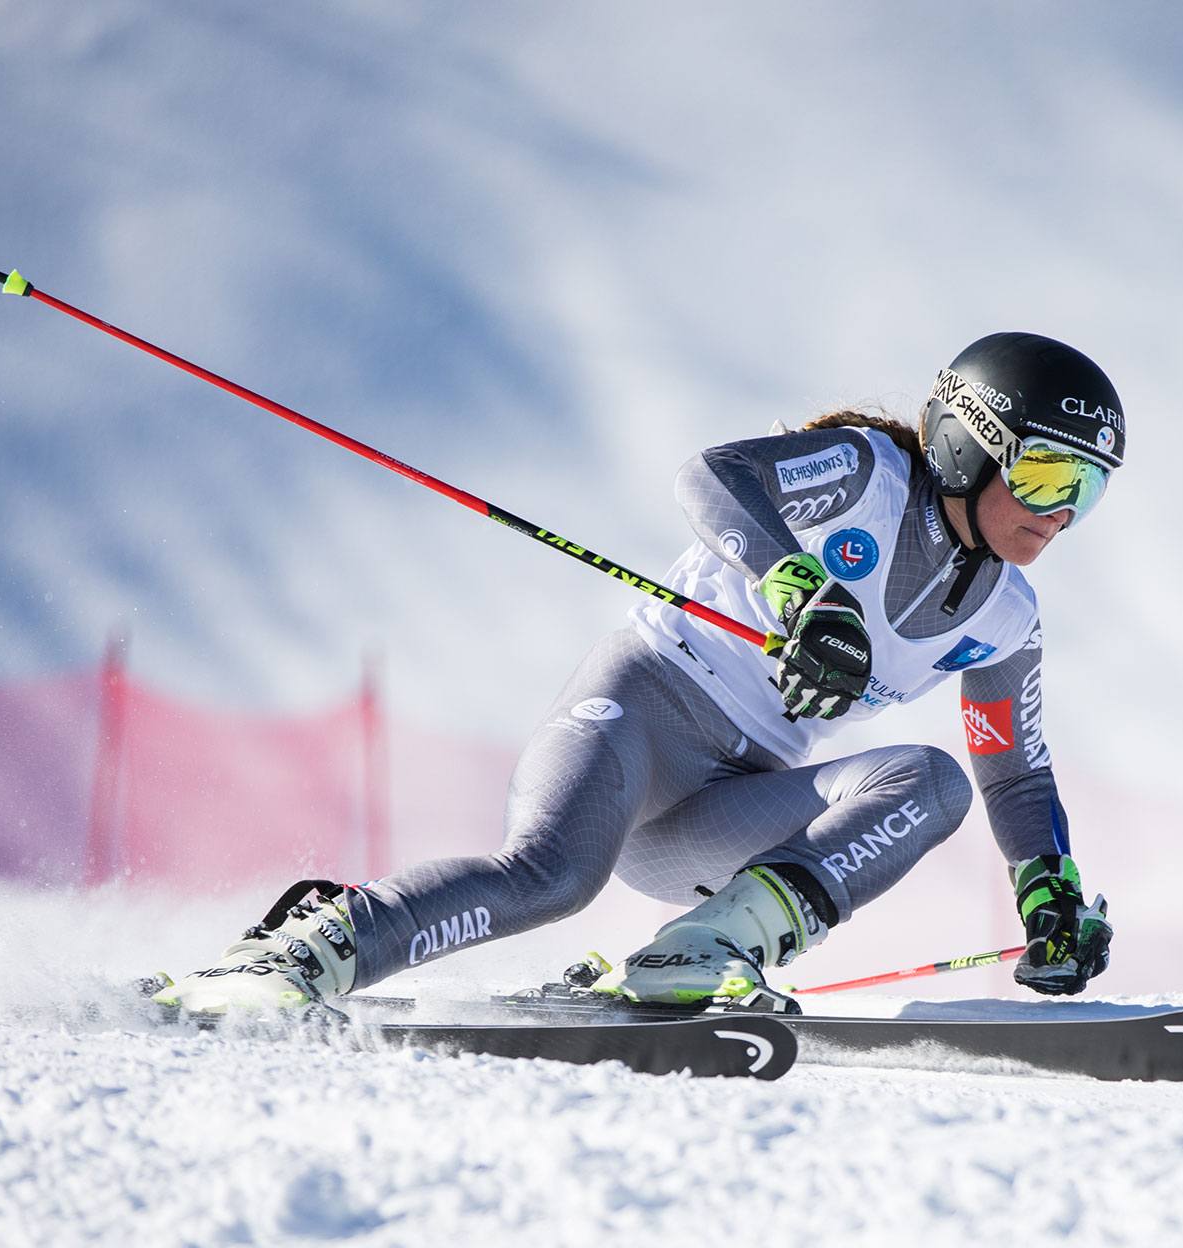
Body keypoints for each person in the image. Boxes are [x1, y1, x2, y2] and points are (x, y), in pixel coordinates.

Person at [156, 332, 1125, 1016]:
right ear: (971, 441)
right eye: (1044, 477)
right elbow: (715, 478)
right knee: (548, 875)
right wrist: (797, 585)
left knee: (930, 781)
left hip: (726, 803)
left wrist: (1049, 890)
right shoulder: (868, 472)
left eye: (1084, 491)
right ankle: (303, 950)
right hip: (640, 710)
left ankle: (706, 947)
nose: (1060, 514)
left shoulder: (1005, 617)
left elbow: (1014, 767)